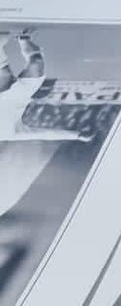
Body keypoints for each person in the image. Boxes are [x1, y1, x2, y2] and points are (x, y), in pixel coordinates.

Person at [0, 30, 79, 225]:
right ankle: (25, 40)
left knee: (3, 73)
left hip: (3, 92)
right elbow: (44, 133)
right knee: (36, 64)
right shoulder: (9, 134)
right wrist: (76, 135)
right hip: (20, 95)